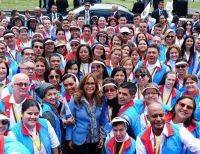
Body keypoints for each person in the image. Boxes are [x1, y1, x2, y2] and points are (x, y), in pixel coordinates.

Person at [66, 74, 105, 154]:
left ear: (96, 85)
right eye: (87, 83)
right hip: (79, 140)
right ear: (82, 85)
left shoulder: (100, 99)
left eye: (92, 83)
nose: (90, 86)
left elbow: (102, 120)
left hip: (96, 140)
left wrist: (103, 136)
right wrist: (69, 138)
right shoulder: (75, 99)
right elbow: (70, 120)